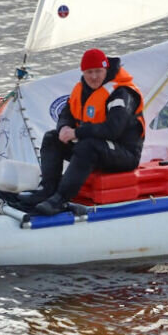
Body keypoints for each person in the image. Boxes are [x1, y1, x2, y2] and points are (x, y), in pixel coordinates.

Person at [26, 48, 145, 216]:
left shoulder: (121, 93)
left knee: (88, 145)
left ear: (106, 70)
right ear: (83, 72)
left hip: (124, 153)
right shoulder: (82, 89)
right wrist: (64, 128)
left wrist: (77, 133)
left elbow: (113, 130)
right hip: (97, 148)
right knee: (52, 138)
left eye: (98, 71)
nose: (94, 77)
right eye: (89, 72)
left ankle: (61, 199)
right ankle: (47, 190)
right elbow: (66, 114)